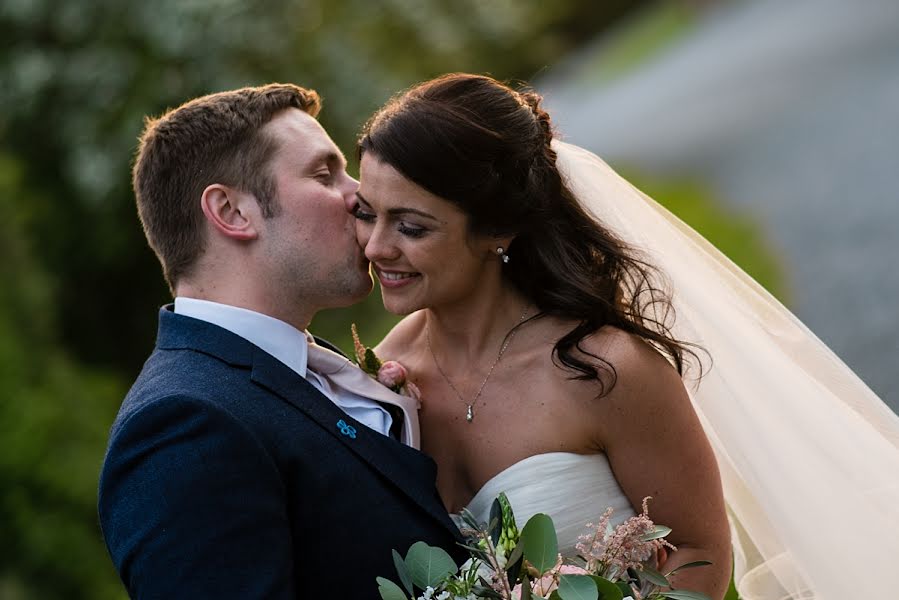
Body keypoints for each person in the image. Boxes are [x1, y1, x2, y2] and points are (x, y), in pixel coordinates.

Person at [353, 73, 899, 600]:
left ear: (498, 229)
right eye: (366, 213)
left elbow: (699, 548)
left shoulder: (604, 369)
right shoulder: (377, 378)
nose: (376, 247)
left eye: (411, 226)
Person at [97, 83, 464, 599]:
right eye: (323, 174)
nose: (360, 195)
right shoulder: (182, 427)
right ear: (232, 212)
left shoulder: (304, 372)